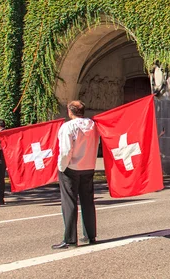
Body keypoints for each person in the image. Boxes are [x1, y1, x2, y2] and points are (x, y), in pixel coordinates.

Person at [52, 101, 99, 249]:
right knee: (88, 202)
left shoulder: (68, 127)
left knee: (69, 203)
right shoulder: (93, 125)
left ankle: (70, 239)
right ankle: (90, 235)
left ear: (69, 111)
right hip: (88, 166)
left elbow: (66, 150)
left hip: (71, 167)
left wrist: (61, 166)